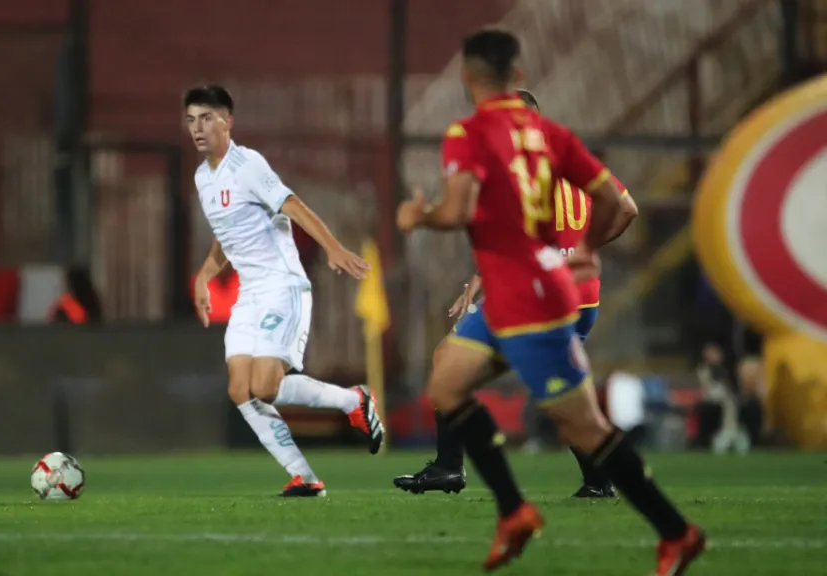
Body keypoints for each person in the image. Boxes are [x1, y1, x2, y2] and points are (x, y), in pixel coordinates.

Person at [395, 29, 705, 574]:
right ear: (518, 76)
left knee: (581, 425)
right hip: (535, 290)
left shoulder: (468, 134)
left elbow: (457, 211)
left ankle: (675, 531)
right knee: (446, 376)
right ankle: (511, 509)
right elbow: (622, 204)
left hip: (528, 299)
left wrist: (418, 216)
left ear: (468, 79)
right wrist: (586, 249)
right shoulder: (553, 139)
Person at [394, 89, 635, 499]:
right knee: (555, 393)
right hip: (581, 299)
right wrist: (587, 249)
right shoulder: (571, 159)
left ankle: (450, 467)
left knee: (447, 362)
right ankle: (600, 479)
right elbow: (627, 209)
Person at [185, 85, 384, 497]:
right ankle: (305, 477)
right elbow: (227, 234)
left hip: (282, 287)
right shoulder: (203, 177)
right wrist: (205, 276)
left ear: (227, 122)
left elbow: (291, 204)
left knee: (265, 387)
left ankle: (354, 401)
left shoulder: (248, 164)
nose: (197, 128)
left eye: (206, 118)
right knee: (240, 390)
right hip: (250, 294)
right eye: (191, 120)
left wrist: (333, 248)